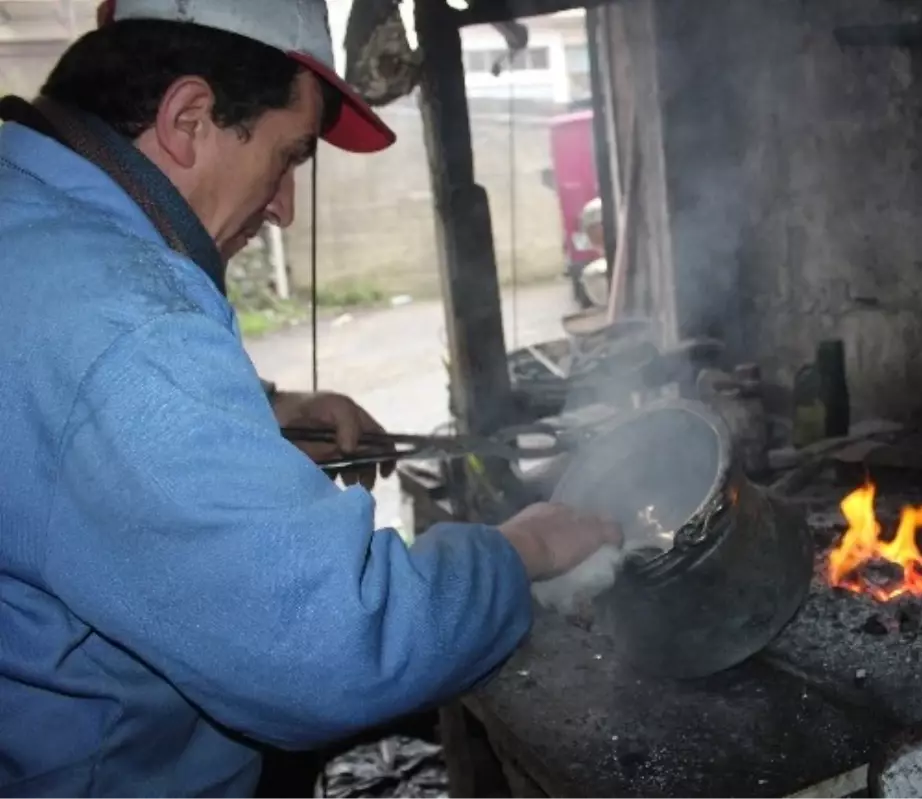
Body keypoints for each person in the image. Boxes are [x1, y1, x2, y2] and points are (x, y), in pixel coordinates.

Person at [0, 1, 621, 796]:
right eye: (289, 155)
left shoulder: (28, 213)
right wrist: (521, 549)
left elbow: (63, 431)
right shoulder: (126, 323)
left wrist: (263, 411)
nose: (285, 205)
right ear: (189, 117)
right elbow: (336, 648)